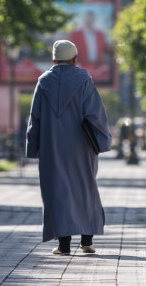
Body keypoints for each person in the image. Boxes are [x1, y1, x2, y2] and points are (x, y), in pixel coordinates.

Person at [25, 40, 112, 255]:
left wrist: (33, 147)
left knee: (57, 192)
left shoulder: (43, 82)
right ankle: (86, 241)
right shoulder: (84, 81)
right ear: (74, 59)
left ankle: (63, 245)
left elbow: (34, 119)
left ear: (54, 60)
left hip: (51, 146)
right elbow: (96, 115)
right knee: (85, 188)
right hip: (82, 146)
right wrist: (103, 141)